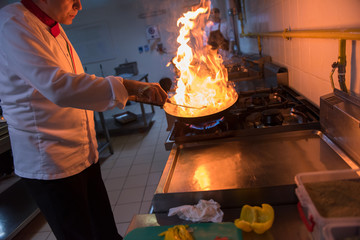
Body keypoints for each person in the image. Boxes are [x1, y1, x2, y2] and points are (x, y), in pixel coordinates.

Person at [0, 0, 167, 239]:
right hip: (51, 162)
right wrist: (127, 87)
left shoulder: (51, 23)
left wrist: (127, 89)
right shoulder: (12, 23)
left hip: (83, 154)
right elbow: (59, 86)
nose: (79, 5)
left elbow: (75, 78)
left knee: (106, 233)